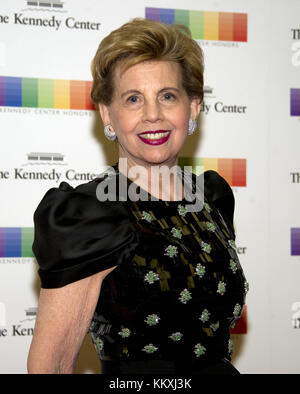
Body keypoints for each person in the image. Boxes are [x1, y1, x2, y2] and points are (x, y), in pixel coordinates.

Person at [27, 18, 248, 374]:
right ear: (107, 114)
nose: (153, 115)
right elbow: (48, 367)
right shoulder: (91, 215)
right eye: (133, 99)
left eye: (167, 96)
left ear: (192, 108)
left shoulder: (212, 197)